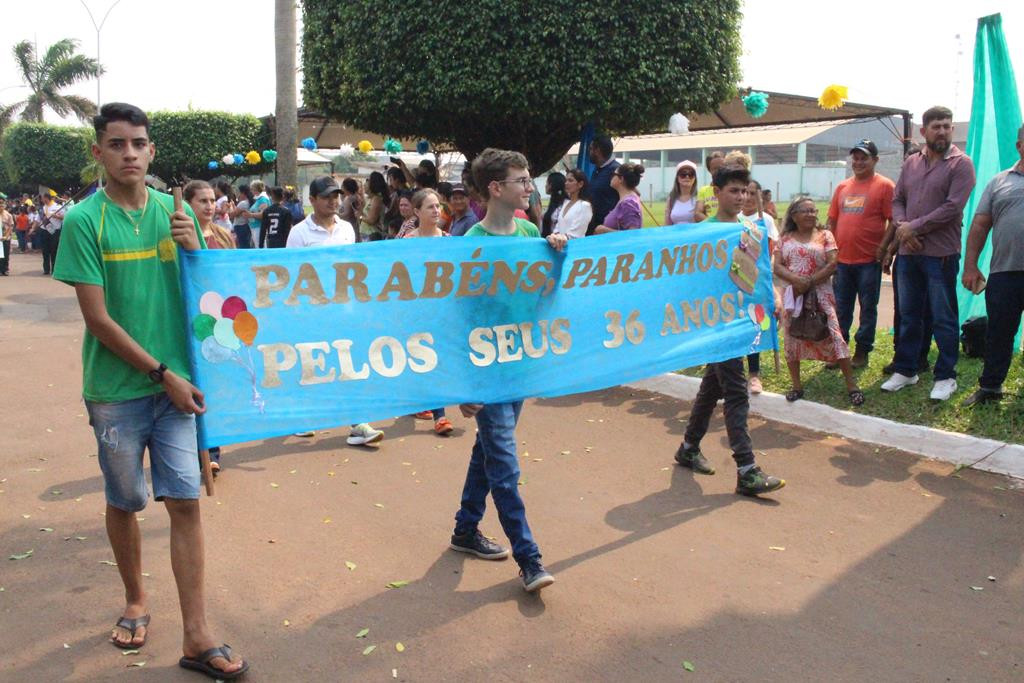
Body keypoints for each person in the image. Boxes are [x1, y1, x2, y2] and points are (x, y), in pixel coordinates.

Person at [52, 102, 248, 679]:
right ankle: (136, 599)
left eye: (138, 143)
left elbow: (214, 293)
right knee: (125, 500)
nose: (129, 154)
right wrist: (163, 373)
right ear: (98, 152)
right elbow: (99, 320)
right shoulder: (85, 221)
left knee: (185, 502)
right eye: (116, 144)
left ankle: (197, 636)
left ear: (152, 150)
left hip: (178, 389)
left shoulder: (177, 211)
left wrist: (196, 248)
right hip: (118, 389)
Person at [452, 147, 567, 592]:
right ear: (496, 189)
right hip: (485, 367)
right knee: (504, 462)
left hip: (520, 362)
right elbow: (457, 317)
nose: (530, 187)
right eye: (522, 180)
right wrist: (464, 382)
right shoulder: (470, 246)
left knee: (491, 450)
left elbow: (545, 294)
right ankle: (529, 558)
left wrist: (555, 254)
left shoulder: (530, 233)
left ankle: (465, 529)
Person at [675, 165, 786, 496]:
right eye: (734, 191)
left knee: (713, 386)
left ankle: (689, 447)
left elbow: (756, 273)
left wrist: (773, 296)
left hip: (740, 319)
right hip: (714, 323)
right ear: (717, 191)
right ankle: (747, 469)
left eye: (745, 191)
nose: (741, 197)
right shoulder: (704, 231)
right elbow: (691, 279)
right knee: (736, 390)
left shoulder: (750, 229)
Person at [882, 106, 976, 401]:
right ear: (924, 131)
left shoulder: (961, 164)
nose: (943, 131)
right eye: (936, 126)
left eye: (947, 126)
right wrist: (902, 228)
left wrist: (914, 228)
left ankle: (946, 376)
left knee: (943, 317)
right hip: (909, 254)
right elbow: (898, 200)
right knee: (909, 315)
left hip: (940, 254)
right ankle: (907, 369)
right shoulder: (911, 162)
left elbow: (952, 208)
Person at [287, 176, 386, 447]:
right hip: (312, 309)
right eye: (327, 196)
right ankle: (304, 415)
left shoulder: (347, 229)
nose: (333, 201)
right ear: (312, 200)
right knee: (312, 361)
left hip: (343, 307)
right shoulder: (299, 233)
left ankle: (357, 423)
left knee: (347, 361)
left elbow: (352, 268)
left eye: (336, 196)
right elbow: (292, 273)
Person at [774, 197, 865, 406]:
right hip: (795, 296)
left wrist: (810, 281)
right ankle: (797, 386)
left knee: (835, 336)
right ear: (794, 215)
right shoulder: (785, 238)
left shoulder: (825, 235)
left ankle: (852, 385)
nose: (811, 214)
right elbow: (777, 266)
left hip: (821, 294)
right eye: (805, 211)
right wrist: (796, 280)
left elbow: (833, 263)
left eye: (813, 210)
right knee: (792, 339)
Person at [960, 124, 1024, 407]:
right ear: (1019, 146)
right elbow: (980, 225)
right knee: (999, 332)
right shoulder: (999, 182)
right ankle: (990, 387)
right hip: (1005, 272)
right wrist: (971, 266)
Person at [826, 139, 895, 369]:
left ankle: (862, 351)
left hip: (869, 261)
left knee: (868, 309)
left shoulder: (885, 186)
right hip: (843, 261)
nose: (858, 162)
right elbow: (832, 220)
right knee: (841, 308)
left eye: (864, 157)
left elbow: (893, 221)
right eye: (855, 157)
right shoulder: (842, 187)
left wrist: (884, 249)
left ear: (875, 160)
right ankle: (840, 350)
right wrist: (829, 251)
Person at [184, 180, 235, 475]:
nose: (209, 206)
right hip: (188, 320)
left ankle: (212, 451)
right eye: (202, 201)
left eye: (212, 200)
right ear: (188, 204)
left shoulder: (224, 236)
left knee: (215, 386)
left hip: (218, 323)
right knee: (194, 386)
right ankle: (194, 450)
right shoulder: (178, 236)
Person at [402, 188, 456, 435]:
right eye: (430, 207)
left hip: (442, 310)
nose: (436, 211)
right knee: (422, 356)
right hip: (416, 309)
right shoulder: (407, 242)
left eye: (438, 206)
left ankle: (437, 411)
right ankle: (433, 409)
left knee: (437, 358)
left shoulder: (448, 239)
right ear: (417, 211)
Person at [738, 178, 779, 394]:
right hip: (734, 282)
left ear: (760, 196)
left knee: (755, 324)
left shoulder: (767, 220)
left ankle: (754, 375)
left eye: (753, 193)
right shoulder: (731, 219)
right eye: (744, 192)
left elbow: (770, 253)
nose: (748, 197)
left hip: (757, 283)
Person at [593, 162, 644, 233]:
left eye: (613, 175)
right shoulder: (626, 200)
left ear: (621, 179)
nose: (610, 177)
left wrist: (603, 230)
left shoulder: (628, 203)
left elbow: (633, 235)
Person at [586, 134, 621, 232]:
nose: (589, 152)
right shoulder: (598, 169)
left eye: (591, 149)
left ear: (598, 151)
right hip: (593, 228)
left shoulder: (617, 170)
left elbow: (631, 193)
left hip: (607, 230)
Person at [551, 168, 592, 239]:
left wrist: (561, 238)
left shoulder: (585, 206)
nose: (566, 183)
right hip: (558, 245)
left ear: (580, 184)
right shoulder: (565, 203)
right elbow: (558, 226)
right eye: (566, 180)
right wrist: (554, 236)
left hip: (574, 246)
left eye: (570, 180)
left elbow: (576, 234)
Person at [695, 150, 726, 222]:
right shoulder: (704, 190)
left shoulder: (731, 190)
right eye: (715, 168)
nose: (719, 171)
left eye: (721, 167)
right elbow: (697, 214)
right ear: (709, 170)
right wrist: (715, 225)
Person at [39, 191, 65, 274]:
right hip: (44, 230)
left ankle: (54, 269)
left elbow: (64, 217)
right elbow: (38, 219)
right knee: (45, 251)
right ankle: (46, 269)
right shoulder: (43, 208)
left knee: (54, 250)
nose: (41, 199)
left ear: (46, 198)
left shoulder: (58, 207)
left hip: (55, 231)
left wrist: (56, 216)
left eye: (42, 198)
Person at [358, 171, 389, 242]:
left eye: (368, 180)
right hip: (367, 233)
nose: (366, 183)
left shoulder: (377, 199)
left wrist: (360, 217)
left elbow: (372, 220)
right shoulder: (371, 198)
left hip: (371, 234)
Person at [665, 161, 699, 225]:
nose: (687, 177)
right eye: (683, 174)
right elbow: (667, 225)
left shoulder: (699, 198)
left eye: (691, 174)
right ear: (677, 178)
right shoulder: (671, 199)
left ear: (695, 178)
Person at [244, 180, 270, 248]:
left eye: (252, 189)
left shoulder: (263, 199)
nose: (251, 191)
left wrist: (250, 215)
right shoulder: (259, 199)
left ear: (256, 189)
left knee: (260, 246)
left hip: (259, 227)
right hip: (255, 226)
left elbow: (263, 214)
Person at [541, 172, 566, 237]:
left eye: (547, 183)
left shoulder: (563, 205)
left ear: (551, 185)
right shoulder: (554, 202)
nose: (545, 185)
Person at [229, 183, 253, 249]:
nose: (239, 195)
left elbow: (232, 214)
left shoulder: (243, 203)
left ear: (243, 193)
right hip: (246, 226)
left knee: (243, 245)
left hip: (241, 227)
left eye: (240, 193)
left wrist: (231, 207)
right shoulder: (249, 202)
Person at [0, 198, 13, 275]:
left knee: (5, 254)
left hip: (5, 238)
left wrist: (6, 236)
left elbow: (11, 227)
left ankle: (5, 269)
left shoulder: (8, 215)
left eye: (2, 204)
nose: (1, 206)